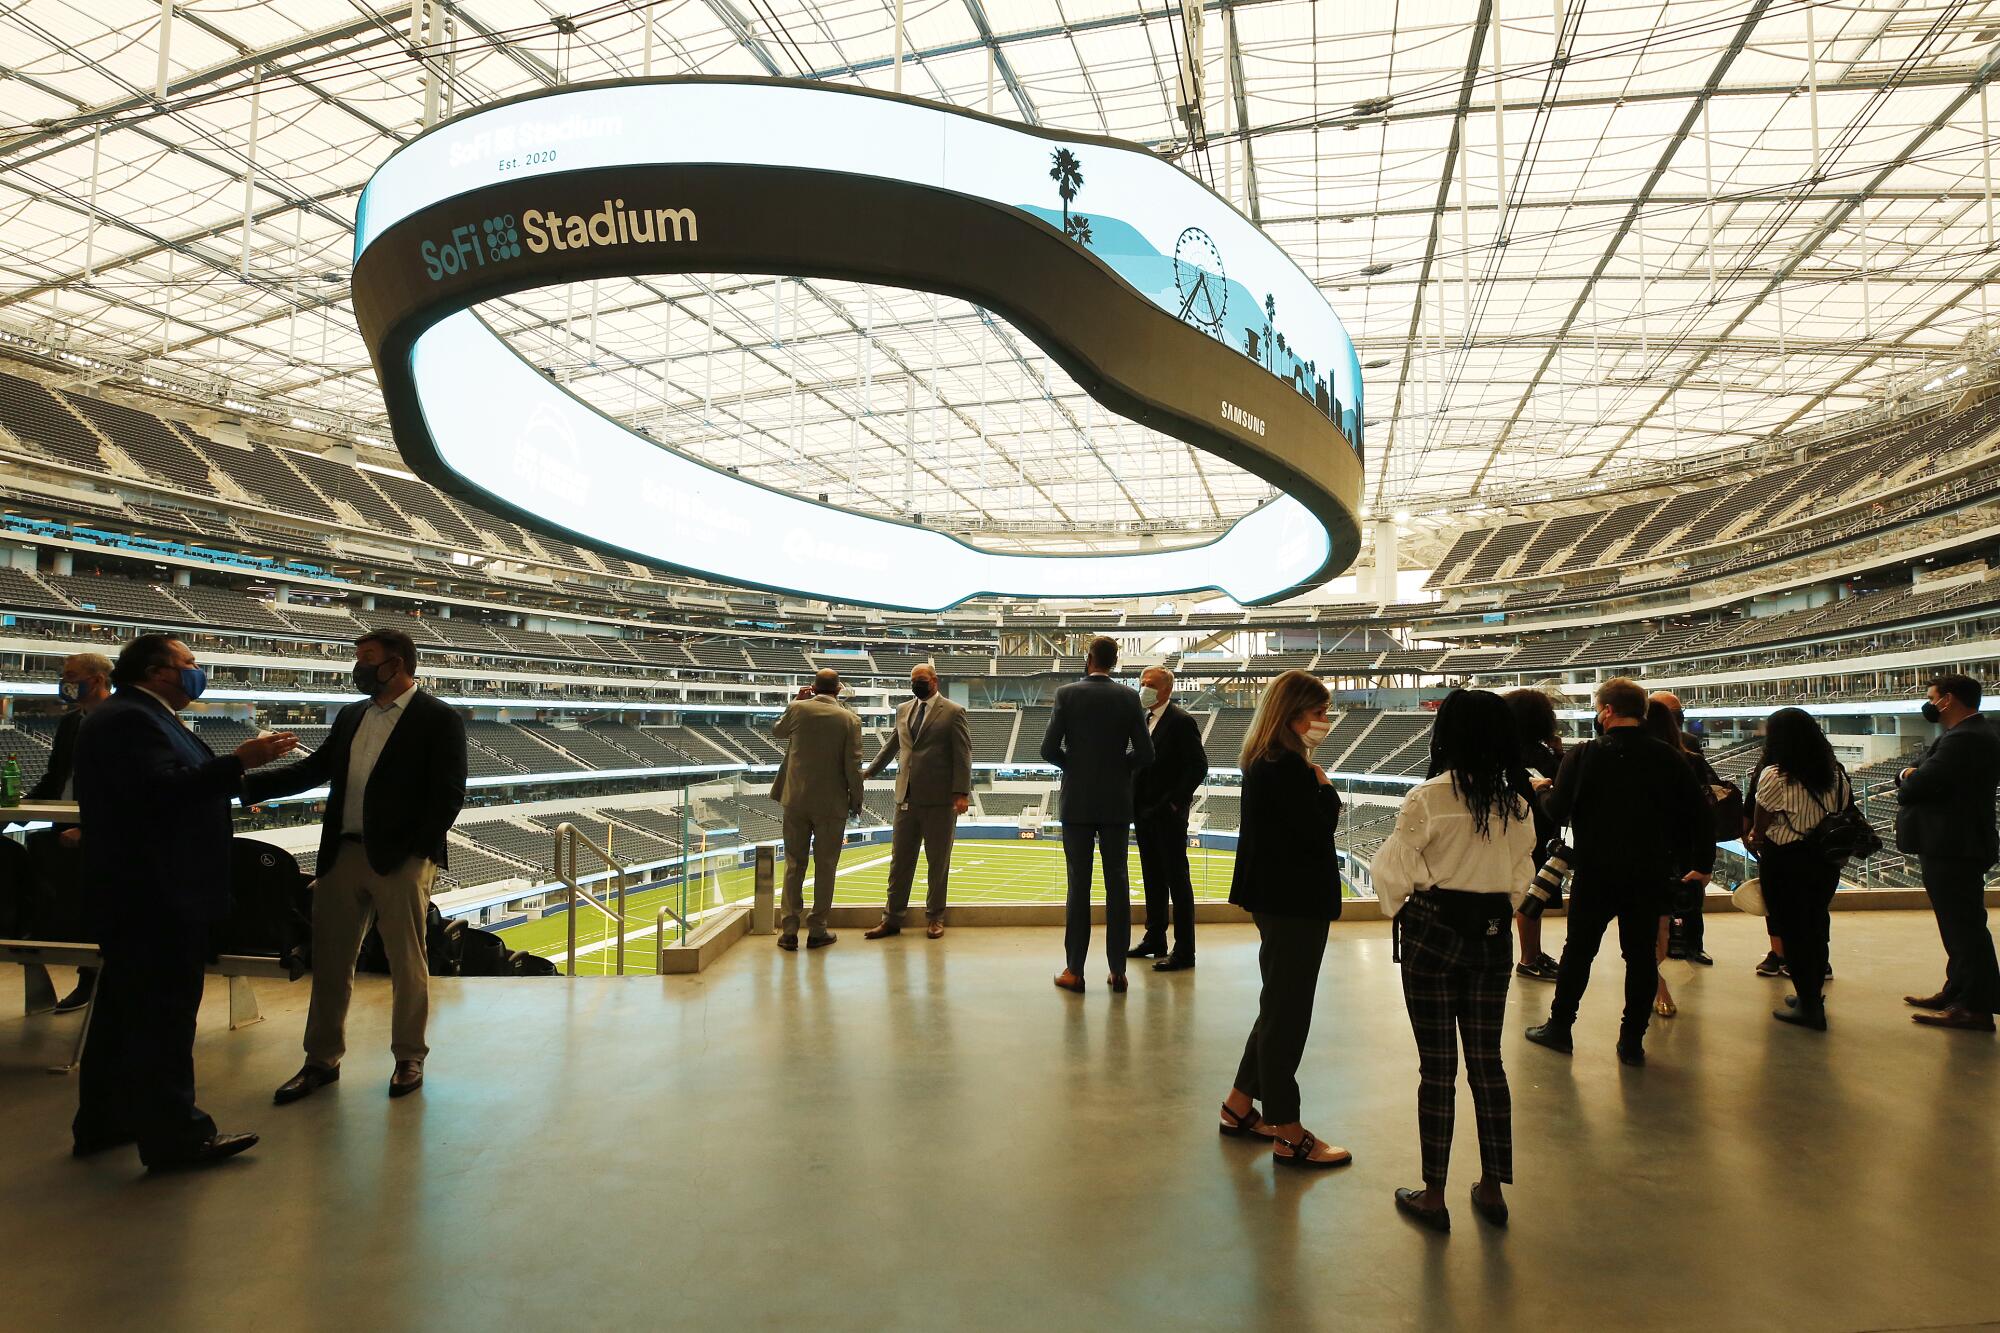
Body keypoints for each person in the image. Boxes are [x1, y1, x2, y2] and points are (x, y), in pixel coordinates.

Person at [70, 633, 296, 1169]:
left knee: (122, 1015)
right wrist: (240, 761)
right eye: (189, 663)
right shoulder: (131, 719)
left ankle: (105, 1121)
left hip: (139, 893)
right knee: (164, 1019)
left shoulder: (136, 714)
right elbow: (163, 794)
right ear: (158, 671)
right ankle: (177, 1137)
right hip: (157, 895)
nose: (197, 671)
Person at [244, 629, 468, 1102]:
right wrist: (244, 785)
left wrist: (418, 853)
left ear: (398, 663)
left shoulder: (438, 718)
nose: (359, 667)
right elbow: (313, 771)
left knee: (408, 963)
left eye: (367, 658)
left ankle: (409, 1057)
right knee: (331, 961)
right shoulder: (351, 716)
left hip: (400, 860)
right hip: (343, 854)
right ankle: (320, 1060)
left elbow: (447, 793)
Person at [1375, 690, 1537, 1232]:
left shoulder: (1427, 798)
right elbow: (1521, 877)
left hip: (1433, 935)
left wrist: (1423, 910)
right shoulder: (1516, 805)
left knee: (1437, 1068)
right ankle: (1493, 1188)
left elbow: (1395, 874)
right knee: (1487, 1063)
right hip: (1491, 936)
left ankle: (1435, 1194)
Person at [1526, 677, 1711, 1066]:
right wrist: (1703, 866)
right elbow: (1698, 814)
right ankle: (1631, 1041)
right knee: (1640, 957)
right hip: (1649, 871)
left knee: (1578, 952)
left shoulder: (1585, 754)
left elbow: (1557, 810)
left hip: (1596, 871)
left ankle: (1560, 1028)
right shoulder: (1668, 756)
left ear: (1607, 711)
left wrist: (1543, 788)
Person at [1218, 670, 1351, 1169]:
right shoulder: (1289, 768)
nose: (1324, 721)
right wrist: (1327, 790)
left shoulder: (1265, 760)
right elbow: (1313, 834)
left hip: (1275, 899)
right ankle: (1287, 1130)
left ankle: (1238, 1106)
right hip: (1295, 902)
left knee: (1277, 1004)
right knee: (1287, 1014)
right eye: (1318, 712)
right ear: (1294, 714)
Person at [1041, 637, 1153, 993]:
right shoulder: (1128, 697)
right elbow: (1146, 753)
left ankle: (1075, 970)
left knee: (1079, 886)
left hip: (1077, 802)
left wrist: (1076, 767)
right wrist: (1119, 769)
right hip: (1117, 802)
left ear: (1089, 659)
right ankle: (1118, 970)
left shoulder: (1067, 694)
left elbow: (1048, 749)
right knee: (1117, 884)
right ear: (1115, 661)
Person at [1896, 673, 2000, 1032]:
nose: (1928, 703)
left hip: (1954, 844)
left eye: (1931, 696)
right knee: (1957, 926)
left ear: (1948, 700)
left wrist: (1907, 776)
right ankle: (1957, 991)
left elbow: (1919, 785)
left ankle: (1974, 1006)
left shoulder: (1966, 739)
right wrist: (1914, 774)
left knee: (1965, 928)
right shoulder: (1965, 735)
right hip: (1953, 842)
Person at [1745, 707, 1848, 1031]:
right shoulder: (1834, 771)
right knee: (1815, 926)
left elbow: (1761, 822)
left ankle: (1809, 1006)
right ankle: (1811, 995)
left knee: (1793, 931)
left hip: (1787, 859)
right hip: (1825, 860)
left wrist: (1754, 836)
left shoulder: (1775, 775)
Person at [23, 652, 113, 1012]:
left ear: (98, 678)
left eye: (72, 674)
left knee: (96, 908)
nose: (66, 681)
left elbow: (124, 787)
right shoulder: (71, 722)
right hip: (63, 824)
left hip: (98, 832)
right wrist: (19, 811)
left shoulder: (121, 722)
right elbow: (54, 778)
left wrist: (89, 829)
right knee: (68, 904)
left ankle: (91, 981)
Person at [861, 664, 971, 940]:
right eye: (913, 681)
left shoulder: (954, 712)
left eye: (921, 680)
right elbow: (892, 746)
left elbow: (962, 754)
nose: (916, 685)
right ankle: (891, 919)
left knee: (938, 863)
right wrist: (869, 771)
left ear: (934, 680)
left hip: (939, 799)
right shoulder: (903, 709)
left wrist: (961, 793)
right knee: (900, 862)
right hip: (905, 797)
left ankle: (935, 918)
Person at [771, 668, 863, 951]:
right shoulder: (850, 719)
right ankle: (817, 930)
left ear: (812, 688)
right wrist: (856, 802)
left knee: (793, 865)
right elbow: (853, 766)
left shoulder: (798, 709)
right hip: (831, 804)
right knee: (825, 868)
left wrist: (796, 700)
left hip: (796, 800)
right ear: (838, 691)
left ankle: (788, 931)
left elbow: (777, 731)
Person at [1639, 699, 1719, 1019]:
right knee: (1665, 923)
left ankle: (1659, 988)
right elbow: (1704, 816)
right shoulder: (1690, 760)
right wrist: (1704, 863)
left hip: (1646, 851)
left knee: (1653, 924)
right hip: (1679, 852)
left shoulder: (1634, 759)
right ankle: (1662, 990)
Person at [1131, 666, 1209, 971]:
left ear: (1166, 690)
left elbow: (1198, 766)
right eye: (1141, 683)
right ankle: (1155, 938)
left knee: (1177, 881)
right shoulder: (1143, 719)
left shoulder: (1181, 721)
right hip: (1143, 812)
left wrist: (1175, 803)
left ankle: (1185, 951)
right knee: (1152, 876)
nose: (1143, 688)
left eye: (1149, 684)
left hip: (1167, 815)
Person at [1650, 690, 1728, 966]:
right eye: (1673, 713)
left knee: (1691, 891)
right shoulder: (1643, 745)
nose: (1678, 719)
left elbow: (1706, 787)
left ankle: (1694, 944)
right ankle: (1664, 944)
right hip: (1656, 834)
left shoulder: (1690, 746)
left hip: (1685, 834)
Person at [1502, 688, 1564, 982]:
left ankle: (1533, 953)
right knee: (1532, 897)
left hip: (1520, 835)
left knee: (1533, 898)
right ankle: (1528, 958)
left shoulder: (1505, 750)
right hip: (1535, 835)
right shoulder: (1536, 753)